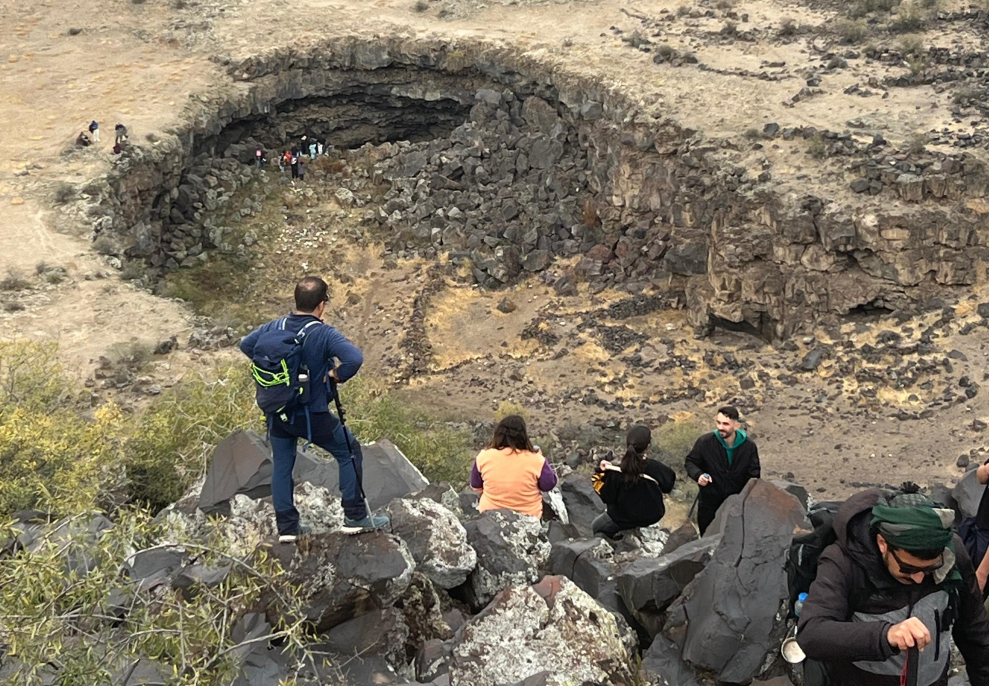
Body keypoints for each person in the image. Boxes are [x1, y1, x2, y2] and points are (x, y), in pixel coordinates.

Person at [239, 276, 388, 541]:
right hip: (312, 415)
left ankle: (287, 528)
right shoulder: (323, 333)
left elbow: (246, 345)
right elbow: (354, 358)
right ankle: (354, 516)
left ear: (296, 301)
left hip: (278, 412)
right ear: (321, 305)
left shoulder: (275, 326)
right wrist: (334, 375)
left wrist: (279, 373)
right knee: (349, 451)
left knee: (282, 465)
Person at [797, 487, 989, 686]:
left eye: (930, 569)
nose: (919, 578)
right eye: (908, 568)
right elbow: (811, 633)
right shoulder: (843, 561)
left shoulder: (952, 552)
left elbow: (973, 628)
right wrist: (886, 635)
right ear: (883, 543)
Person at [591, 425, 676, 537]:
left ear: (627, 445)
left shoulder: (616, 471)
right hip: (651, 517)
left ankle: (614, 542)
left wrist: (601, 472)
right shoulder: (657, 469)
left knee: (596, 526)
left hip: (621, 519)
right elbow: (668, 486)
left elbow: (607, 497)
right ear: (648, 447)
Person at [470, 415, 557, 518]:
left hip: (490, 517)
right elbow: (549, 485)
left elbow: (476, 486)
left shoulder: (483, 456)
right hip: (527, 519)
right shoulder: (537, 460)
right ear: (524, 436)